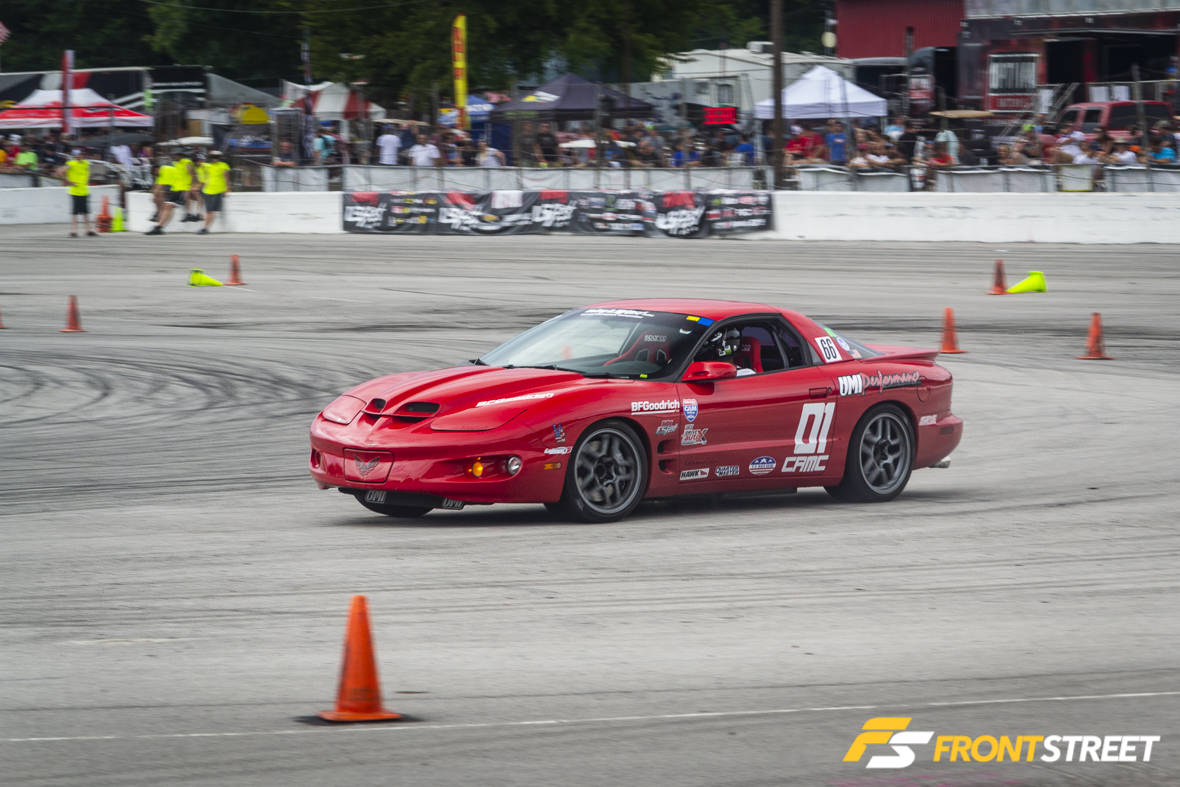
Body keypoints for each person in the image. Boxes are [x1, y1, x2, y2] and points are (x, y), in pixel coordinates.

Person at [56, 148, 97, 237]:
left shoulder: (86, 163)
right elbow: (60, 171)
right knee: (75, 212)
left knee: (86, 212)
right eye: (78, 154)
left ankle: (88, 230)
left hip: (84, 190)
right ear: (75, 156)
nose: (80, 156)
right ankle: (74, 231)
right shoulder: (71, 163)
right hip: (75, 191)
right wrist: (68, 181)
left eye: (81, 154)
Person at [145, 153, 182, 235]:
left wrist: (154, 195)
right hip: (175, 188)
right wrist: (154, 196)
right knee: (160, 197)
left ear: (157, 169)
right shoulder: (161, 172)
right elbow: (156, 186)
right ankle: (158, 216)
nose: (156, 176)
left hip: (182, 188)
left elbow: (160, 186)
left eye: (155, 174)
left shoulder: (165, 170)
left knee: (168, 205)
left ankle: (159, 227)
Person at [196, 150, 230, 235]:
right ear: (210, 158)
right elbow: (203, 178)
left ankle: (205, 228)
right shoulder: (206, 166)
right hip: (207, 191)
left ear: (219, 158)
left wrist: (227, 189)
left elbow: (226, 178)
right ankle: (205, 228)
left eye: (217, 157)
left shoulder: (223, 165)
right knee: (209, 211)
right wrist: (198, 187)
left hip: (218, 191)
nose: (215, 159)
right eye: (213, 157)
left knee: (210, 211)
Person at [172, 148, 200, 223]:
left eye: (177, 155)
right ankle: (188, 214)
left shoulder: (186, 162)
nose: (175, 157)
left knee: (186, 197)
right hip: (178, 187)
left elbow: (192, 174)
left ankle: (190, 214)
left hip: (187, 185)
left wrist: (194, 184)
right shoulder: (176, 163)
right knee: (184, 199)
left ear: (181, 156)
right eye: (175, 155)